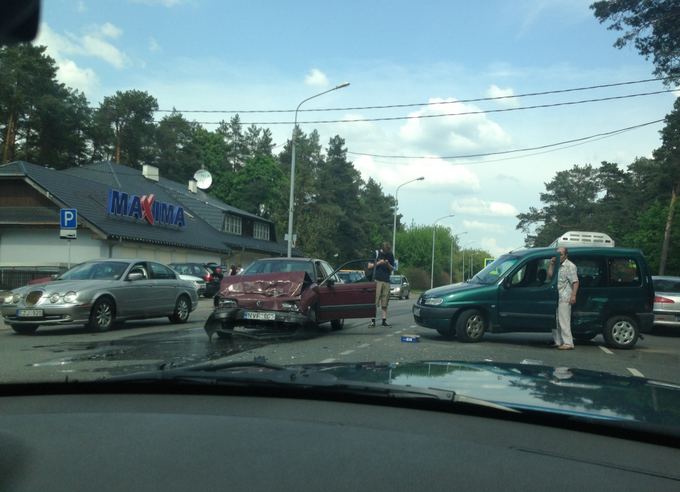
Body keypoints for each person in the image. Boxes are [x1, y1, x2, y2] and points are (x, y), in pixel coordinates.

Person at [547, 247, 579, 350]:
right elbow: (550, 276)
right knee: (555, 320)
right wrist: (551, 264)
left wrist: (573, 295)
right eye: (557, 254)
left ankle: (568, 343)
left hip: (565, 296)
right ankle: (558, 341)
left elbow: (575, 281)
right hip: (556, 296)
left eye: (560, 254)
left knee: (564, 320)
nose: (558, 256)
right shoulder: (556, 265)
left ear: (566, 255)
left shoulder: (570, 266)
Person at [367, 242, 395, 327]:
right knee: (375, 300)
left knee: (385, 301)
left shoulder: (390, 255)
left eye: (388, 251)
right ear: (382, 249)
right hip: (377, 279)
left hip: (386, 280)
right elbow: (369, 266)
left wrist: (387, 264)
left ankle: (384, 320)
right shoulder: (376, 253)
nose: (386, 253)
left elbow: (392, 268)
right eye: (385, 251)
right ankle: (372, 320)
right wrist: (379, 263)